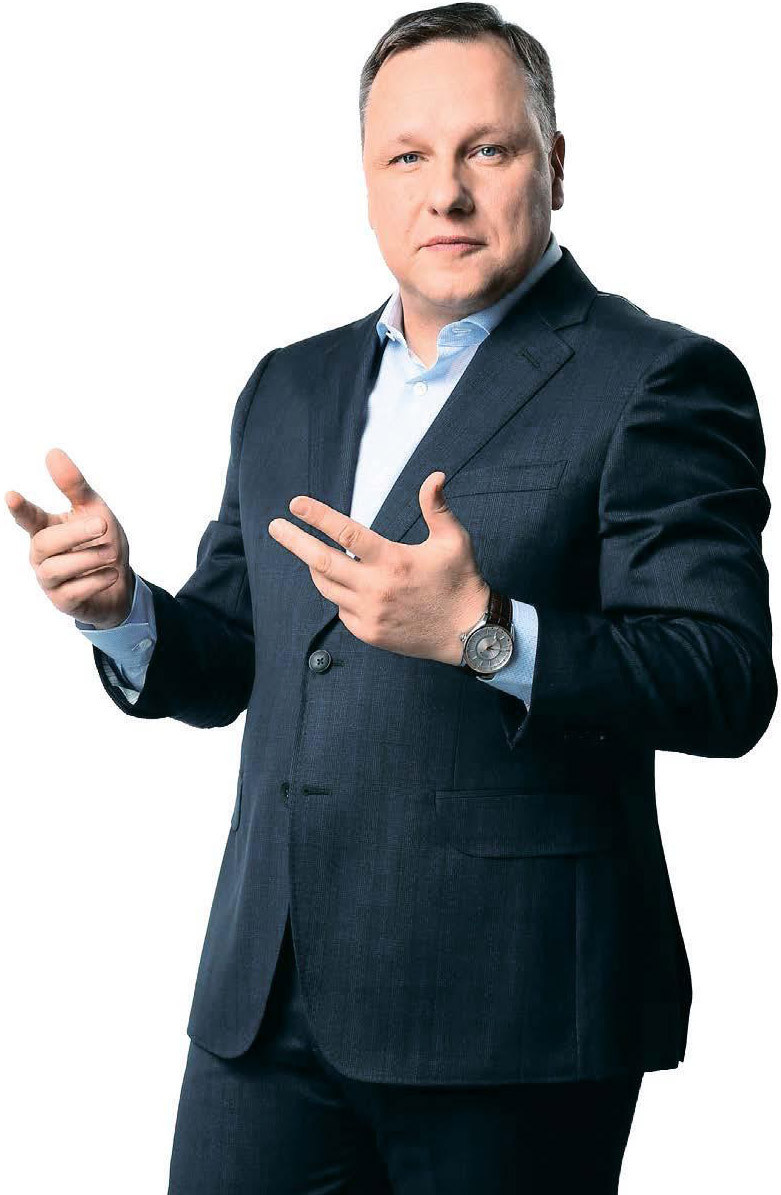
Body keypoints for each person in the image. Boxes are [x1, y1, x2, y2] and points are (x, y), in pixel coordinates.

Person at [7, 4, 776, 1192]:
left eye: (487, 148)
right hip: (267, 1000)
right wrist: (123, 611)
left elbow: (720, 682)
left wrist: (484, 636)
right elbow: (238, 656)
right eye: (407, 156)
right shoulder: (289, 384)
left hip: (511, 1013)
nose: (445, 193)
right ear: (367, 182)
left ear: (554, 164)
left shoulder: (660, 379)